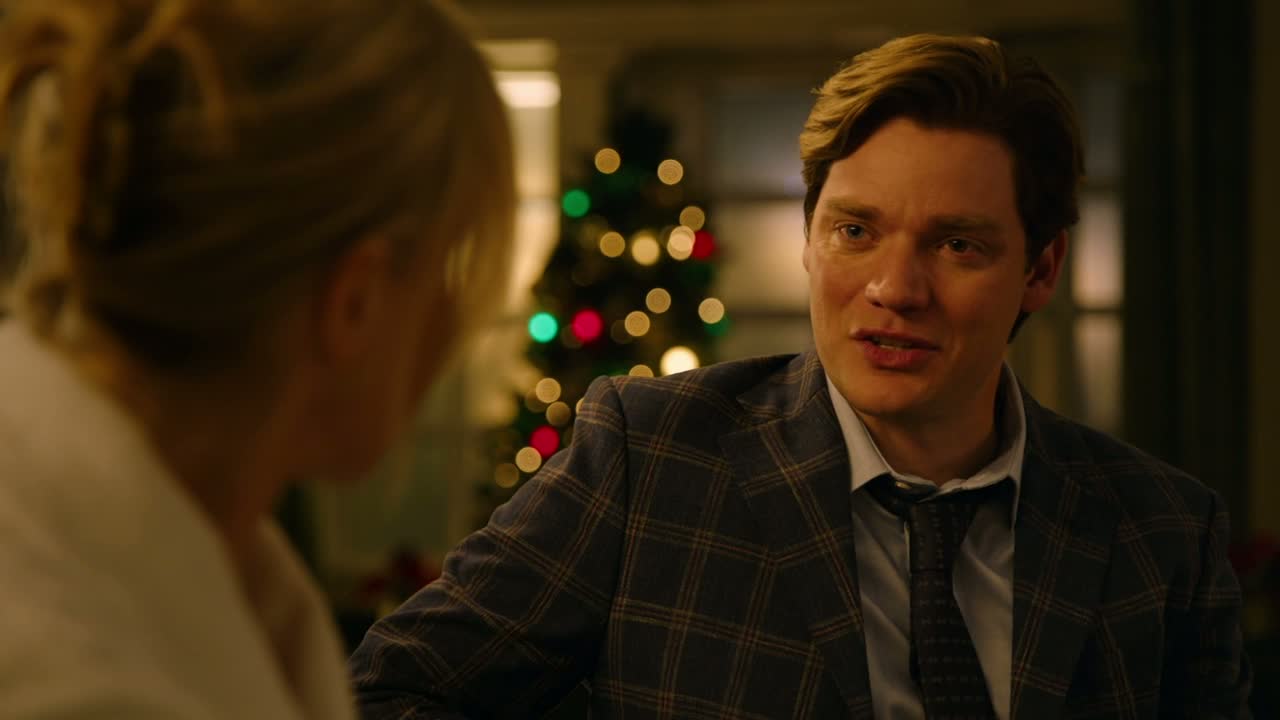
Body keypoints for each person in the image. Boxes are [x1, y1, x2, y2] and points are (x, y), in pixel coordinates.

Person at [349, 34, 1252, 719]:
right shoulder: (650, 456)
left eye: (957, 244)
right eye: (856, 231)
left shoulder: (1163, 533)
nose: (895, 289)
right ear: (811, 239)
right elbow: (387, 695)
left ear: (1041, 270)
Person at [0, 0, 513, 717]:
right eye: (447, 266)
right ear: (356, 301)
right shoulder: (78, 680)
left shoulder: (200, 549)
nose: (452, 315)